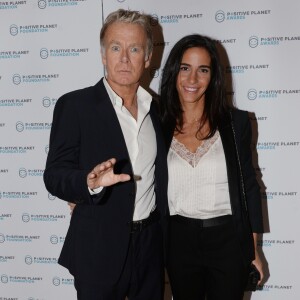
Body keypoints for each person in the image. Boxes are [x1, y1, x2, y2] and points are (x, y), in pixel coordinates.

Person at [43, 9, 168, 300]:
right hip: (97, 249)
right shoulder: (75, 106)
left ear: (148, 58)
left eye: (134, 49)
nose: (124, 58)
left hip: (150, 248)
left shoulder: (159, 110)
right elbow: (55, 174)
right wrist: (89, 183)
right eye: (115, 48)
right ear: (103, 55)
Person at [159, 34, 264, 300]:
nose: (192, 80)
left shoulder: (235, 123)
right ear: (174, 71)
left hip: (227, 239)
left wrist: (254, 251)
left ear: (213, 76)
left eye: (202, 70)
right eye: (185, 68)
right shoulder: (157, 124)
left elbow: (249, 187)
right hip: (178, 240)